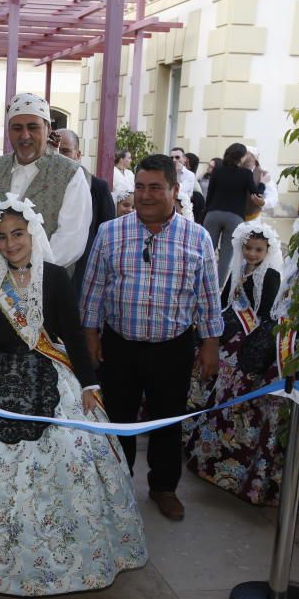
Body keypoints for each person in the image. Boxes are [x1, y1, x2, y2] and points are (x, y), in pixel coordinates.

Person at [0, 193, 147, 595]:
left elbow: (75, 336)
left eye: (18, 234)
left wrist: (89, 384)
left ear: (32, 232)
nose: (11, 244)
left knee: (71, 451)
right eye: (3, 237)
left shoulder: (56, 276)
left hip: (48, 370)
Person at [80, 154, 223, 521]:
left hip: (172, 348)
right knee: (119, 418)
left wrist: (210, 344)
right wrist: (91, 336)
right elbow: (94, 289)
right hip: (119, 346)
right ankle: (117, 484)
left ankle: (163, 488)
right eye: (139, 187)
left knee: (167, 421)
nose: (145, 195)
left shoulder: (198, 238)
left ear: (175, 190)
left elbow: (208, 296)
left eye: (155, 187)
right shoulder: (111, 232)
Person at [183, 221, 285, 505]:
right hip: (232, 327)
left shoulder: (271, 275)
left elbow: (265, 315)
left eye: (258, 249)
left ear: (268, 250)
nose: (252, 254)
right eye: (249, 248)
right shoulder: (239, 269)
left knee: (230, 384)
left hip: (251, 338)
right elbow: (227, 300)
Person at [0, 93, 91, 269]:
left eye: (33, 127)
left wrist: (24, 274)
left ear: (48, 129)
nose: (25, 135)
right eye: (17, 128)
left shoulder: (71, 174)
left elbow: (71, 240)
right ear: (9, 131)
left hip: (44, 286)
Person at [55, 128, 116, 292]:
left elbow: (108, 236)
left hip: (83, 273)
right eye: (55, 149)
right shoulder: (40, 186)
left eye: (65, 151)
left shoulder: (97, 188)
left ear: (78, 154)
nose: (59, 156)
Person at [204, 143, 265, 281]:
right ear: (242, 157)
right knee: (226, 255)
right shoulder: (246, 173)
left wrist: (208, 211)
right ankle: (218, 288)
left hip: (213, 213)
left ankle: (201, 282)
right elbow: (256, 194)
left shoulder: (217, 170)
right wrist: (262, 184)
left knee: (206, 252)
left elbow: (210, 194)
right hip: (234, 217)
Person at [242, 147, 279, 221]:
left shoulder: (263, 174)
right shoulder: (234, 172)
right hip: (235, 219)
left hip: (254, 219)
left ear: (255, 160)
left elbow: (273, 197)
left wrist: (263, 203)